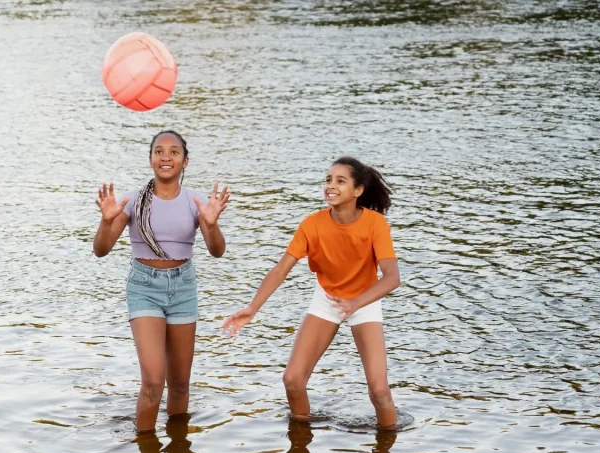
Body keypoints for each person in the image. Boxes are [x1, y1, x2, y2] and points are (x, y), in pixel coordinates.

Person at [223, 157, 400, 428]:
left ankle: (388, 447)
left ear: (358, 190)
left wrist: (356, 302)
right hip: (328, 298)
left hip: (364, 300)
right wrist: (252, 308)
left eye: (341, 181)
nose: (331, 186)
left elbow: (392, 277)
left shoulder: (375, 224)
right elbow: (281, 269)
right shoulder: (312, 224)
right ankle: (301, 442)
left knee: (378, 391)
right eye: (328, 180)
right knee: (292, 380)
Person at [93, 130, 230, 434]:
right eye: (158, 151)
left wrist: (211, 223)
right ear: (150, 159)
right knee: (154, 380)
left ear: (185, 161)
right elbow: (101, 250)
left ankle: (179, 446)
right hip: (144, 287)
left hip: (183, 287)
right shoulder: (132, 200)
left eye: (174, 152)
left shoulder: (196, 202)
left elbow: (217, 252)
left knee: (180, 383)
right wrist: (105, 222)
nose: (166, 157)